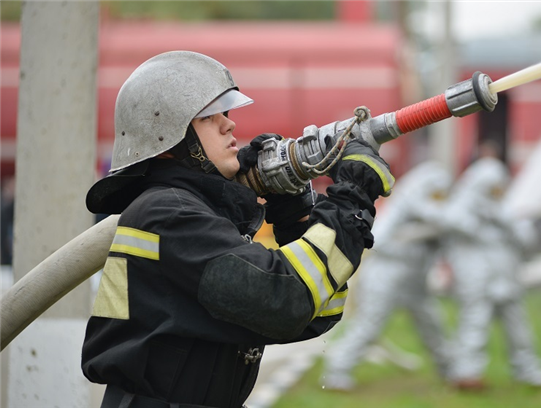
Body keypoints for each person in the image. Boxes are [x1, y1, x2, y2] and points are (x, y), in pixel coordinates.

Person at [81, 50, 394, 408]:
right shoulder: (167, 213)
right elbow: (284, 300)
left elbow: (314, 310)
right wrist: (351, 199)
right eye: (208, 117)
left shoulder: (189, 213)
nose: (229, 125)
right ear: (170, 138)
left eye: (225, 114)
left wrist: (294, 218)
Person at [322, 161, 454, 391]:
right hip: (387, 274)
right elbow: (379, 241)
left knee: (432, 323)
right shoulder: (407, 203)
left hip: (415, 280)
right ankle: (337, 371)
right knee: (369, 325)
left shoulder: (434, 210)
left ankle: (450, 370)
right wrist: (420, 234)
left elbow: (445, 225)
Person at [439, 141, 541, 390]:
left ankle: (527, 368)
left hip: (507, 279)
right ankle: (467, 372)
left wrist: (504, 220)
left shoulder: (508, 210)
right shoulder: (461, 210)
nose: (492, 193)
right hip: (478, 281)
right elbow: (451, 224)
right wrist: (477, 221)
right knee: (474, 325)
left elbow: (527, 239)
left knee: (518, 329)